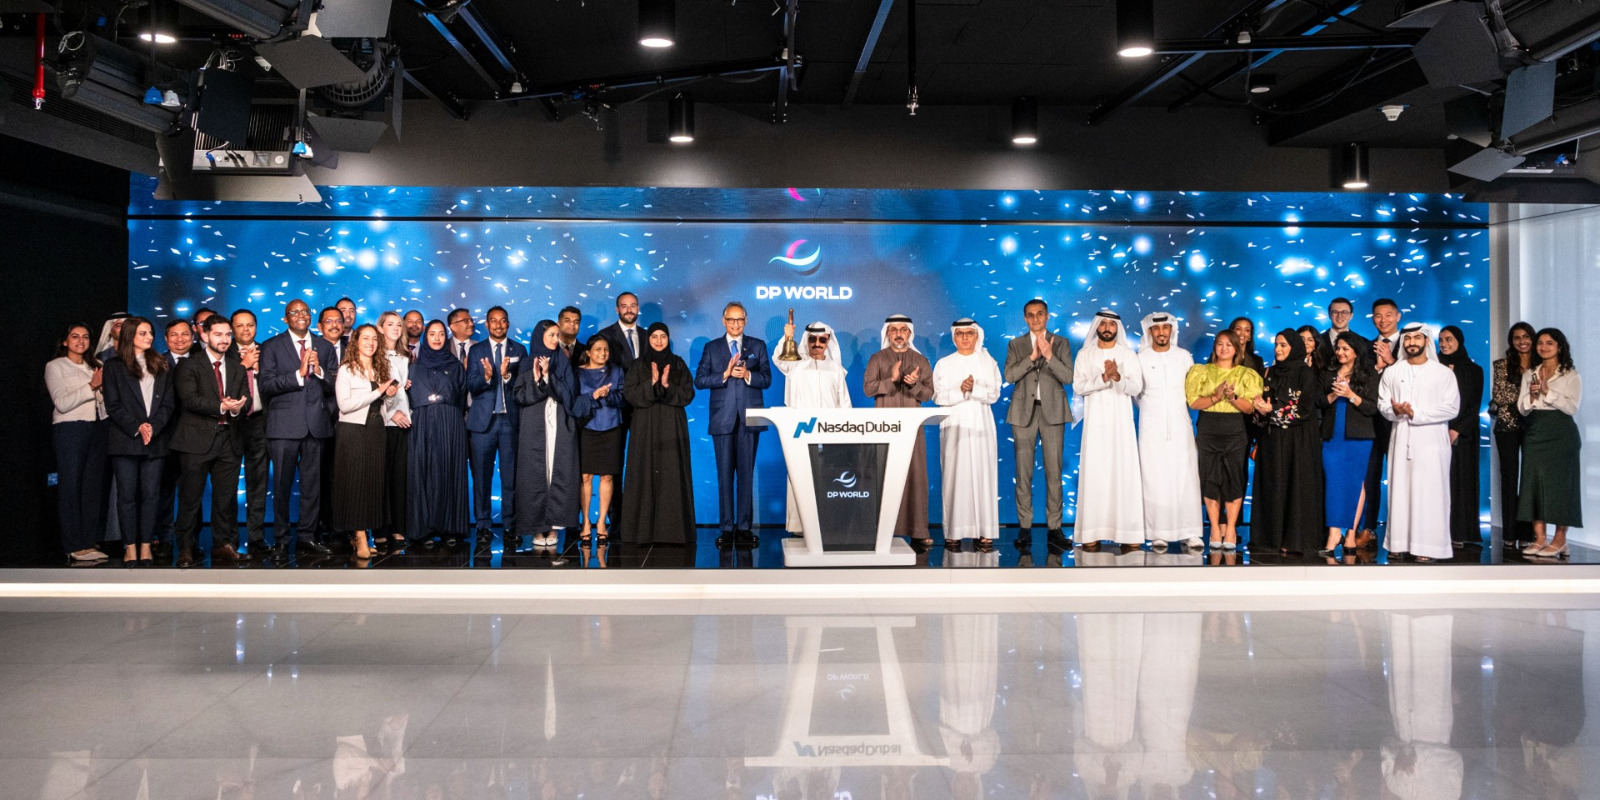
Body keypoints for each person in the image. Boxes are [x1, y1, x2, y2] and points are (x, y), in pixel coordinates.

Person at [259, 299, 338, 564]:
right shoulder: (271, 346)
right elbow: (266, 385)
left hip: (316, 426)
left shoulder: (325, 346)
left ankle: (307, 537)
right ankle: (281, 540)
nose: (301, 315)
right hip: (283, 426)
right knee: (281, 486)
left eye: (305, 312)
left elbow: (334, 385)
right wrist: (298, 374)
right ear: (285, 318)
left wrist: (319, 371)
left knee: (312, 487)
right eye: (294, 312)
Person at [169, 315, 249, 567]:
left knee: (225, 499)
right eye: (218, 334)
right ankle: (186, 548)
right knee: (190, 499)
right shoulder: (189, 365)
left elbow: (244, 399)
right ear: (204, 336)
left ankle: (222, 545)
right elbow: (189, 399)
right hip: (195, 440)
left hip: (229, 440)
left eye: (227, 334)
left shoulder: (237, 367)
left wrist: (236, 408)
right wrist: (222, 406)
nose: (224, 339)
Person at [1379, 324, 1460, 562]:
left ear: (1426, 341)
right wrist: (1395, 411)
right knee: (1400, 491)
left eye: (1417, 337)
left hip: (1432, 443)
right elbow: (1383, 404)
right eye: (1408, 338)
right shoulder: (1392, 372)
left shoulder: (1443, 373)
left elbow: (1451, 408)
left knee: (1430, 493)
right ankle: (1398, 543)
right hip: (1401, 439)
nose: (1412, 342)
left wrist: (1417, 413)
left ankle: (1428, 547)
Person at [694, 301, 771, 546]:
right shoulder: (712, 347)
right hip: (722, 419)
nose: (735, 324)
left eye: (739, 320)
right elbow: (700, 380)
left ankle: (745, 528)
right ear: (723, 321)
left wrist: (748, 374)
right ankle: (727, 529)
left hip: (749, 417)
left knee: (746, 476)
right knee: (725, 476)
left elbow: (766, 379)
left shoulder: (757, 345)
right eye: (731, 319)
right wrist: (725, 374)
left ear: (745, 321)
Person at [100, 317, 175, 566]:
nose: (149, 337)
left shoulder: (161, 364)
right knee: (127, 496)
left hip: (155, 439)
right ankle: (130, 546)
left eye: (150, 332)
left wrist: (153, 426)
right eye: (143, 333)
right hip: (125, 439)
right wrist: (137, 426)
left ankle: (146, 546)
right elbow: (113, 405)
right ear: (130, 335)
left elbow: (168, 404)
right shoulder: (113, 366)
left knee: (152, 495)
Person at [513, 319, 590, 549]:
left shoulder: (563, 362)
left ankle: (555, 526)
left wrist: (548, 377)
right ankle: (538, 527)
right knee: (535, 473)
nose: (556, 340)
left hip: (559, 423)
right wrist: (537, 379)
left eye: (558, 335)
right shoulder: (527, 362)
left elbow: (569, 394)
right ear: (540, 337)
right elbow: (519, 395)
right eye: (551, 335)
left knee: (557, 471)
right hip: (533, 425)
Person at [1002, 299, 1073, 546]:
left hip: (1053, 412)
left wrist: (1050, 356)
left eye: (1040, 314)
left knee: (1054, 472)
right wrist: (1032, 356)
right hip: (1023, 413)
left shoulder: (1061, 343)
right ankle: (1025, 528)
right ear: (1025, 318)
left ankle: (1055, 528)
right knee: (1023, 473)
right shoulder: (1016, 344)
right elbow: (1010, 375)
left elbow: (1068, 376)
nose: (1035, 319)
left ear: (1047, 316)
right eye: (1030, 315)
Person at [1073, 310, 1145, 549]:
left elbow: (1136, 388)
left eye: (1111, 324)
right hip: (1095, 426)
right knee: (1095, 475)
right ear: (1096, 326)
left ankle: (1128, 533)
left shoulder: (1128, 355)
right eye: (1102, 323)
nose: (1107, 327)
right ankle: (1091, 533)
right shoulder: (1084, 355)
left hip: (1121, 427)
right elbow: (1079, 387)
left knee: (1123, 474)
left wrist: (1117, 376)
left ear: (1117, 328)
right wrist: (1104, 378)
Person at [1249, 329, 1324, 556]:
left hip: (1298, 442)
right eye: (1276, 344)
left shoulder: (1306, 373)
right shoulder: (1269, 372)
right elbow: (1263, 406)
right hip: (1272, 440)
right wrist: (1259, 409)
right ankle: (1270, 539)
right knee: (1273, 485)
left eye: (1283, 345)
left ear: (1294, 348)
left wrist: (1272, 411)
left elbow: (1305, 409)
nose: (1278, 349)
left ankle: (1294, 540)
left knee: (1295, 486)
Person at [863, 314, 936, 547]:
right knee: (883, 473)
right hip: (884, 427)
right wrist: (892, 380)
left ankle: (918, 529)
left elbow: (929, 394)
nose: (898, 334)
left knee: (916, 474)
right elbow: (868, 389)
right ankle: (881, 530)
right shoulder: (877, 359)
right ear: (887, 333)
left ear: (909, 333)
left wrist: (913, 384)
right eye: (893, 330)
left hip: (912, 429)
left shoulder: (920, 360)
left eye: (903, 329)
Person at [1185, 330, 1262, 551]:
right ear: (1214, 347)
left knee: (1233, 478)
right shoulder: (1201, 371)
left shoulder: (1246, 374)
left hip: (1235, 429)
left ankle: (1230, 529)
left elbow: (1250, 408)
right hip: (1208, 428)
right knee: (1210, 478)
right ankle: (1214, 529)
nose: (1224, 348)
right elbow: (1193, 402)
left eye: (1229, 344)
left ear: (1236, 349)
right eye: (1220, 344)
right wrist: (1216, 397)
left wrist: (1232, 398)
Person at [775, 318, 852, 536]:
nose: (817, 344)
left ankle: (829, 525)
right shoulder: (795, 365)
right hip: (801, 433)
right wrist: (787, 337)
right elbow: (778, 359)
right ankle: (800, 527)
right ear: (806, 340)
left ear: (828, 341)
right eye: (812, 339)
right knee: (801, 478)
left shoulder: (836, 370)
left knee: (830, 479)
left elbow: (845, 404)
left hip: (830, 435)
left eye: (822, 340)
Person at [622, 322, 697, 544]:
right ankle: (641, 533)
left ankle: (672, 532)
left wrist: (666, 386)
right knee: (643, 471)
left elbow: (688, 394)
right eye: (654, 336)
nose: (658, 341)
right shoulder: (638, 365)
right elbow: (629, 394)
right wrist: (652, 383)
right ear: (648, 340)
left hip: (672, 425)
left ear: (668, 338)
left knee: (672, 473)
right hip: (644, 426)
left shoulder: (678, 363)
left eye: (663, 336)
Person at [1135, 312, 1202, 550]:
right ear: (1150, 332)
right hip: (1151, 427)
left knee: (1185, 477)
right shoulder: (1140, 358)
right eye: (1157, 329)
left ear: (1171, 330)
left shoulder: (1183, 356)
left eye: (1165, 328)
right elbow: (1136, 393)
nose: (1161, 332)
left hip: (1181, 426)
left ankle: (1190, 532)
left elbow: (1192, 391)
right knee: (1154, 478)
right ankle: (1157, 533)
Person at [933, 318, 1001, 549]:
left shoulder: (988, 361)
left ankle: (984, 532)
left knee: (983, 475)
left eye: (969, 333)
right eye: (959, 333)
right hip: (954, 425)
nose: (964, 337)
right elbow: (938, 396)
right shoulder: (944, 364)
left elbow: (994, 394)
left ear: (976, 336)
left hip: (981, 424)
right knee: (955, 475)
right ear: (954, 337)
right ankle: (954, 532)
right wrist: (960, 390)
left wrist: (974, 388)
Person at [1516, 328, 1582, 559]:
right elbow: (1522, 408)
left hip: (1561, 433)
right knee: (1533, 484)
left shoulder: (1570, 375)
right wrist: (1533, 396)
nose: (1543, 347)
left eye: (1549, 343)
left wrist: (1548, 392)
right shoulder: (1530, 373)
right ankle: (1540, 538)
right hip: (1536, 431)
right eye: (1540, 343)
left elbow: (1572, 407)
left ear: (1559, 347)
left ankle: (1560, 540)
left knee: (1562, 487)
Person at [46, 323, 108, 562]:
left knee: (91, 487)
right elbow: (62, 403)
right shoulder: (56, 366)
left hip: (97, 427)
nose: (81, 341)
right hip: (70, 428)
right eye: (75, 336)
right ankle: (73, 545)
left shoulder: (96, 364)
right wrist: (91, 385)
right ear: (65, 341)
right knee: (70, 486)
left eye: (85, 337)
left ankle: (88, 541)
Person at [333, 324, 395, 560]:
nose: (370, 343)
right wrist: (378, 392)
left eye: (374, 339)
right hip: (353, 432)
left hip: (376, 430)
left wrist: (388, 396)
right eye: (366, 338)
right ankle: (358, 536)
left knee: (372, 484)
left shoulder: (380, 368)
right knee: (355, 484)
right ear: (356, 342)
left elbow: (383, 405)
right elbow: (345, 405)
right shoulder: (347, 369)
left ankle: (364, 534)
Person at [407, 321, 471, 544]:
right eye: (432, 334)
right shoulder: (414, 366)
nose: (437, 338)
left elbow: (461, 396)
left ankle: (450, 528)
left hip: (450, 422)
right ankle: (423, 529)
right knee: (423, 472)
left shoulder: (455, 366)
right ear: (426, 337)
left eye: (441, 334)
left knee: (448, 471)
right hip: (422, 424)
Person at [466, 305, 524, 544]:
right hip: (483, 423)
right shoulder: (476, 350)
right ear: (487, 324)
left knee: (511, 477)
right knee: (481, 477)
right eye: (493, 321)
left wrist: (507, 376)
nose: (498, 325)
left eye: (502, 321)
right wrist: (488, 377)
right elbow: (471, 385)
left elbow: (523, 386)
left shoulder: (519, 349)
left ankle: (511, 525)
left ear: (508, 324)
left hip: (510, 422)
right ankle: (482, 525)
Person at [1317, 332, 1379, 556]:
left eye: (1345, 348)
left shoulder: (1368, 374)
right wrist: (1334, 395)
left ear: (1356, 351)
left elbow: (1372, 408)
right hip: (1332, 436)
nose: (1340, 352)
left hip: (1359, 437)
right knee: (1333, 483)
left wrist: (1350, 394)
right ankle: (1334, 533)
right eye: (1338, 348)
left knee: (1356, 483)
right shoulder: (1328, 373)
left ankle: (1351, 535)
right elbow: (1319, 401)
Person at [1360, 297, 1403, 544]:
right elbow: (1361, 383)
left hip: (1401, 421)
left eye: (1388, 315)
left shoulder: (1411, 343)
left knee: (1401, 476)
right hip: (1371, 420)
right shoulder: (1365, 347)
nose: (1383, 320)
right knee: (1370, 476)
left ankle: (1401, 531)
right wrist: (1377, 368)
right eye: (1378, 315)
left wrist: (1392, 363)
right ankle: (1369, 528)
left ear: (1398, 316)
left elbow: (1415, 379)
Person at [1489, 322, 1536, 550]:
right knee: (1508, 478)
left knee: (1530, 479)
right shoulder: (1502, 365)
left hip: (1534, 425)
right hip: (1507, 425)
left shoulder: (1541, 365)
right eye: (1517, 337)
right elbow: (1500, 396)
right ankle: (1508, 533)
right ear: (1511, 341)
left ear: (1532, 338)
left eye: (1526, 336)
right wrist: (1530, 392)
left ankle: (1527, 532)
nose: (1522, 341)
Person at [227, 309, 270, 557]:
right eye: (240, 325)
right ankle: (229, 539)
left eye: (250, 325)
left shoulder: (268, 351)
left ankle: (256, 536)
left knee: (258, 482)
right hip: (232, 423)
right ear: (232, 328)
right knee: (228, 483)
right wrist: (243, 367)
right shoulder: (224, 352)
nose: (246, 329)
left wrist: (260, 369)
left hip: (260, 421)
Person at [575, 335, 625, 544]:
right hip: (588, 428)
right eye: (597, 349)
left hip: (611, 426)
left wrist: (608, 395)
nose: (602, 353)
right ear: (588, 352)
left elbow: (623, 398)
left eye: (605, 349)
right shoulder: (578, 373)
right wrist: (593, 396)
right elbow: (574, 402)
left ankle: (602, 521)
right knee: (585, 476)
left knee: (607, 476)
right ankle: (586, 522)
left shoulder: (617, 371)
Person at [1437, 325, 1483, 549]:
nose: (1444, 344)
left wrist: (1456, 429)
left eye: (1449, 339)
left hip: (1464, 434)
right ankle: (1437, 531)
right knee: (1438, 482)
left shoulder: (1474, 370)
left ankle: (1459, 532)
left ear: (1459, 341)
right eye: (1441, 340)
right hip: (1435, 430)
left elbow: (1473, 405)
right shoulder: (1432, 367)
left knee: (1461, 482)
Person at [376, 311, 413, 551]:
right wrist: (390, 414)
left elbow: (400, 390)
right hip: (383, 422)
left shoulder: (404, 357)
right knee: (382, 478)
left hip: (404, 421)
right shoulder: (373, 355)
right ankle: (380, 530)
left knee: (399, 477)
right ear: (380, 328)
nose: (396, 328)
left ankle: (398, 527)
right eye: (390, 324)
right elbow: (371, 391)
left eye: (399, 324)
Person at [597, 292, 643, 373]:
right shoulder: (605, 335)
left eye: (633, 306)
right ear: (617, 310)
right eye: (624, 306)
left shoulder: (647, 335)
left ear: (638, 308)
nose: (629, 310)